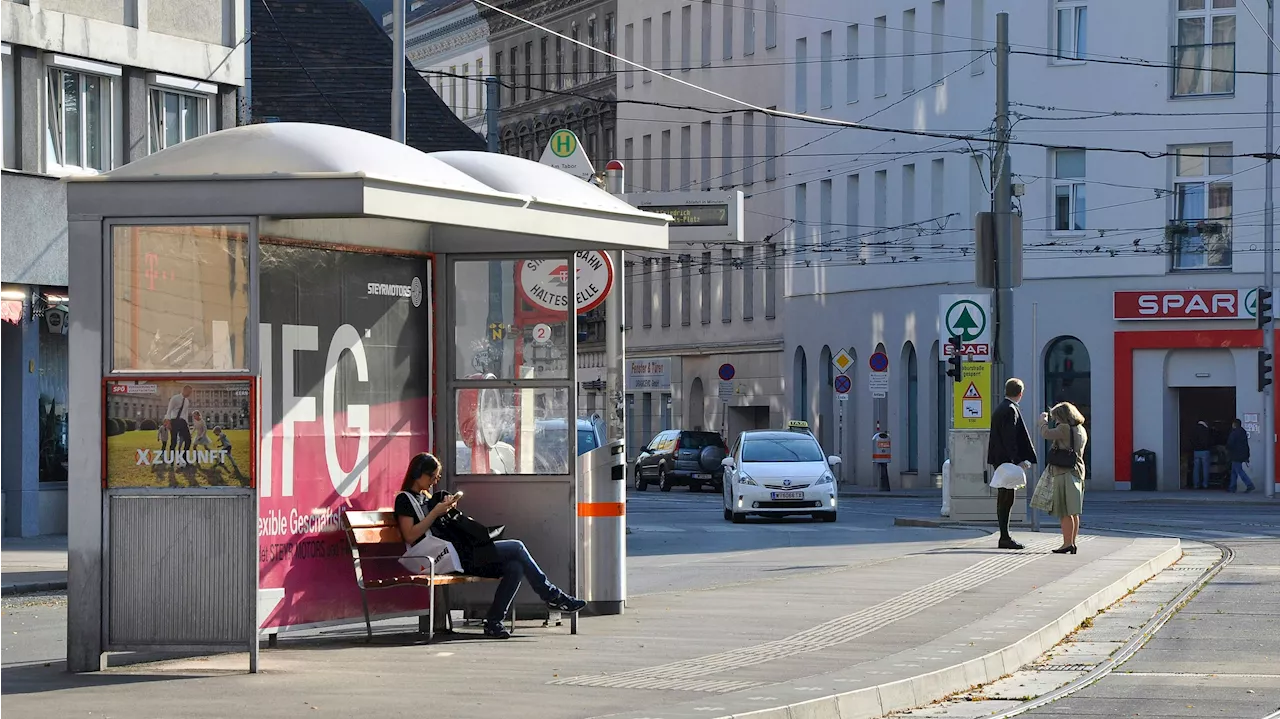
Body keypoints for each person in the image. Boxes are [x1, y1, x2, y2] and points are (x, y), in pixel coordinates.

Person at [393, 453, 586, 639]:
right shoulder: (404, 499)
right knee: (517, 547)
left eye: (438, 477)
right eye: (432, 476)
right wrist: (435, 512)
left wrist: (447, 509)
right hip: (441, 558)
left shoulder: (427, 497)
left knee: (515, 567)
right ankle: (552, 596)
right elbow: (410, 536)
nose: (435, 481)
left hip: (458, 553)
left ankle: (494, 622)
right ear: (418, 473)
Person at [987, 378, 1038, 550]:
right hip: (1006, 459)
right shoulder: (1010, 410)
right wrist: (1018, 460)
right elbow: (1010, 439)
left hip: (999, 458)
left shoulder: (1001, 408)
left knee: (1005, 496)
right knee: (1007, 497)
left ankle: (1004, 535)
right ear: (1020, 394)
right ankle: (1004, 536)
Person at [1037, 402, 1088, 554]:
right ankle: (1072, 542)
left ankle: (1066, 544)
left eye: (1056, 417)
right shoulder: (1080, 429)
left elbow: (1046, 434)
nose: (1055, 421)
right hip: (1078, 471)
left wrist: (1043, 423)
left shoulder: (1064, 428)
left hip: (1064, 472)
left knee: (1064, 511)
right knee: (1074, 511)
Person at [1225, 419, 1256, 494]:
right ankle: (1232, 487)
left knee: (1239, 470)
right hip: (1242, 454)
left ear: (1234, 424)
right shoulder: (1243, 432)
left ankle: (1249, 484)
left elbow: (1230, 443)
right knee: (1234, 471)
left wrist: (1227, 449)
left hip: (1236, 454)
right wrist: (1247, 455)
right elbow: (1246, 444)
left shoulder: (1234, 433)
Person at [165, 385, 194, 453]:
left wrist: (187, 425)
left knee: (188, 440)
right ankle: (171, 459)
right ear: (184, 390)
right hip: (174, 421)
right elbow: (169, 410)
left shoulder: (187, 401)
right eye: (189, 392)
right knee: (174, 441)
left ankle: (184, 457)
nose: (190, 394)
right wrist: (168, 422)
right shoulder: (175, 398)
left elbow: (185, 414)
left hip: (183, 422)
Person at [1190, 420, 1212, 489]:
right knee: (1205, 468)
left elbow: (1191, 440)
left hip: (1196, 451)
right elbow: (1210, 440)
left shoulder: (1194, 429)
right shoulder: (1206, 430)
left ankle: (1196, 484)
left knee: (1196, 469)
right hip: (1205, 451)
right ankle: (1205, 484)